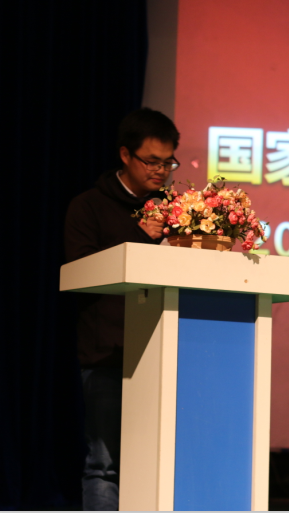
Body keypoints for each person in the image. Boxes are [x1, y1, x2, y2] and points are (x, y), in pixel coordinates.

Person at [64, 108, 180, 511]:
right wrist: (137, 236)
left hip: (167, 354)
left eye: (168, 162)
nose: (160, 171)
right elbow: (81, 272)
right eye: (152, 161)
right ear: (126, 155)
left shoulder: (177, 209)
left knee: (162, 463)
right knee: (105, 466)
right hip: (108, 355)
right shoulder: (88, 206)